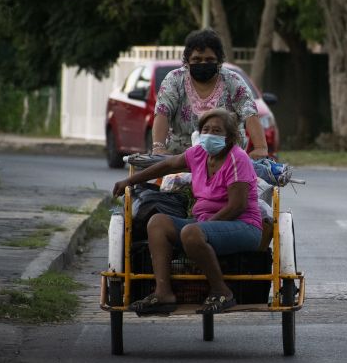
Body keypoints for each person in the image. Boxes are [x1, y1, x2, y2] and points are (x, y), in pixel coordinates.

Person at [112, 108, 262, 315]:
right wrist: (129, 181)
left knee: (191, 232)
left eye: (217, 131)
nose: (209, 134)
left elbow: (237, 206)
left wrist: (201, 228)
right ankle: (163, 293)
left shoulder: (237, 158)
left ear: (229, 137)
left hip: (243, 225)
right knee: (158, 223)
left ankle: (222, 292)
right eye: (206, 129)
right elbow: (168, 165)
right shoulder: (199, 153)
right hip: (206, 224)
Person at [152, 28, 268, 159]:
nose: (203, 63)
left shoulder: (233, 81)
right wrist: (158, 147)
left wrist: (260, 148)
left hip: (226, 158)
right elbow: (162, 112)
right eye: (197, 59)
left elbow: (250, 113)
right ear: (187, 61)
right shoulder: (174, 80)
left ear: (219, 62)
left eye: (209, 60)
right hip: (181, 158)